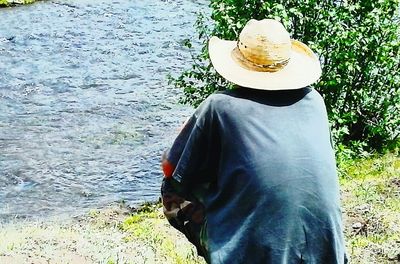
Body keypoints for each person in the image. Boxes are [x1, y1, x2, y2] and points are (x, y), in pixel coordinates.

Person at [161, 18, 347, 264]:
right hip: (327, 254)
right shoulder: (315, 102)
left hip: (255, 258)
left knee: (173, 190)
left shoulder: (219, 107)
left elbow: (171, 170)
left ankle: (228, 251)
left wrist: (184, 134)